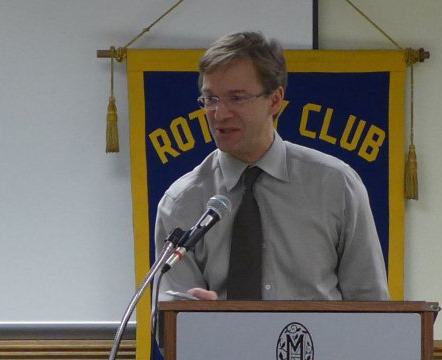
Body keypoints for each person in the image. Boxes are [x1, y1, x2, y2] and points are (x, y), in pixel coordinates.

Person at [155, 31, 389, 301]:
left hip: (324, 344)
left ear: (275, 101)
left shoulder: (335, 185)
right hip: (225, 343)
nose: (219, 114)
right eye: (210, 99)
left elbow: (371, 305)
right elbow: (171, 323)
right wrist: (191, 318)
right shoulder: (182, 202)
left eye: (237, 98)